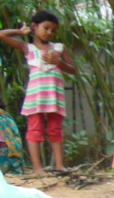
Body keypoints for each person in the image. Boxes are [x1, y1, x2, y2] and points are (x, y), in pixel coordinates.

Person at [0, 11, 75, 175]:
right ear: (34, 27)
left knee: (55, 130)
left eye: (53, 30)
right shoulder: (28, 48)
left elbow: (73, 69)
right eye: (46, 28)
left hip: (54, 96)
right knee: (35, 130)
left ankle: (60, 165)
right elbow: (1, 35)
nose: (49, 32)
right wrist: (20, 32)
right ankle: (37, 168)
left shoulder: (59, 48)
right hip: (36, 96)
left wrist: (58, 62)